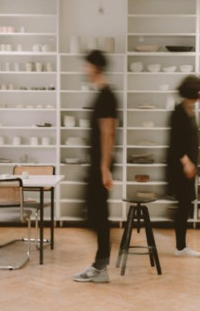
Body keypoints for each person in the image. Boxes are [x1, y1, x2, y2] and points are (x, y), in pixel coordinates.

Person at [73, 50, 117, 283]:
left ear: (94, 67)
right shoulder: (101, 94)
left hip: (101, 165)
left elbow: (109, 133)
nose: (83, 70)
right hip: (97, 163)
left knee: (97, 214)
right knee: (93, 213)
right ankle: (101, 262)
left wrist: (104, 168)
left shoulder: (107, 96)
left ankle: (101, 266)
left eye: (86, 65)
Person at [166, 75, 200, 258]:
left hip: (188, 166)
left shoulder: (189, 110)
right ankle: (180, 247)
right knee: (183, 205)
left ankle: (181, 246)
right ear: (193, 93)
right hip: (181, 167)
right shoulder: (178, 112)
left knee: (185, 204)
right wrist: (187, 162)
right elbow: (176, 143)